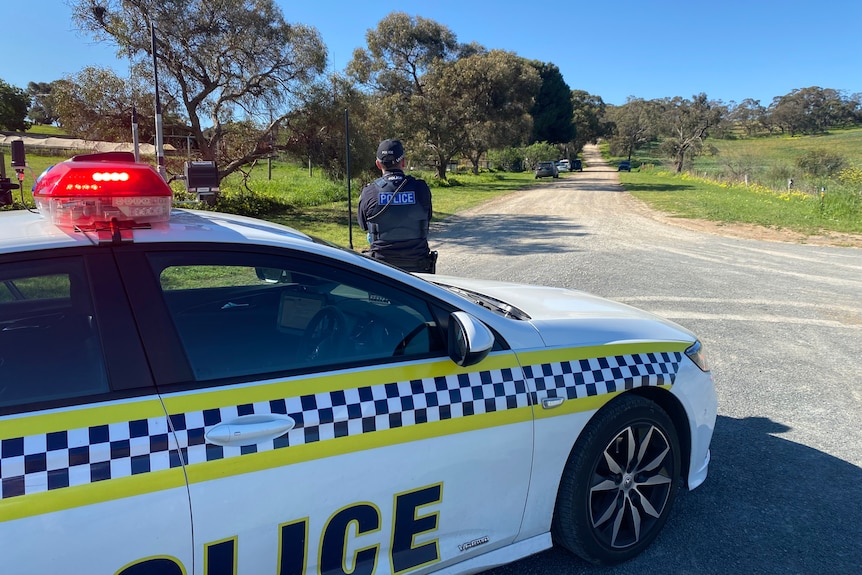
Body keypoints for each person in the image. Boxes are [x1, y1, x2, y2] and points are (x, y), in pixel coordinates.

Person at [358, 139, 436, 273]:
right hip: (419, 268)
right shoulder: (421, 189)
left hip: (382, 270)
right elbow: (427, 217)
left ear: (378, 164)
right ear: (404, 162)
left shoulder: (369, 193)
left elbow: (363, 225)